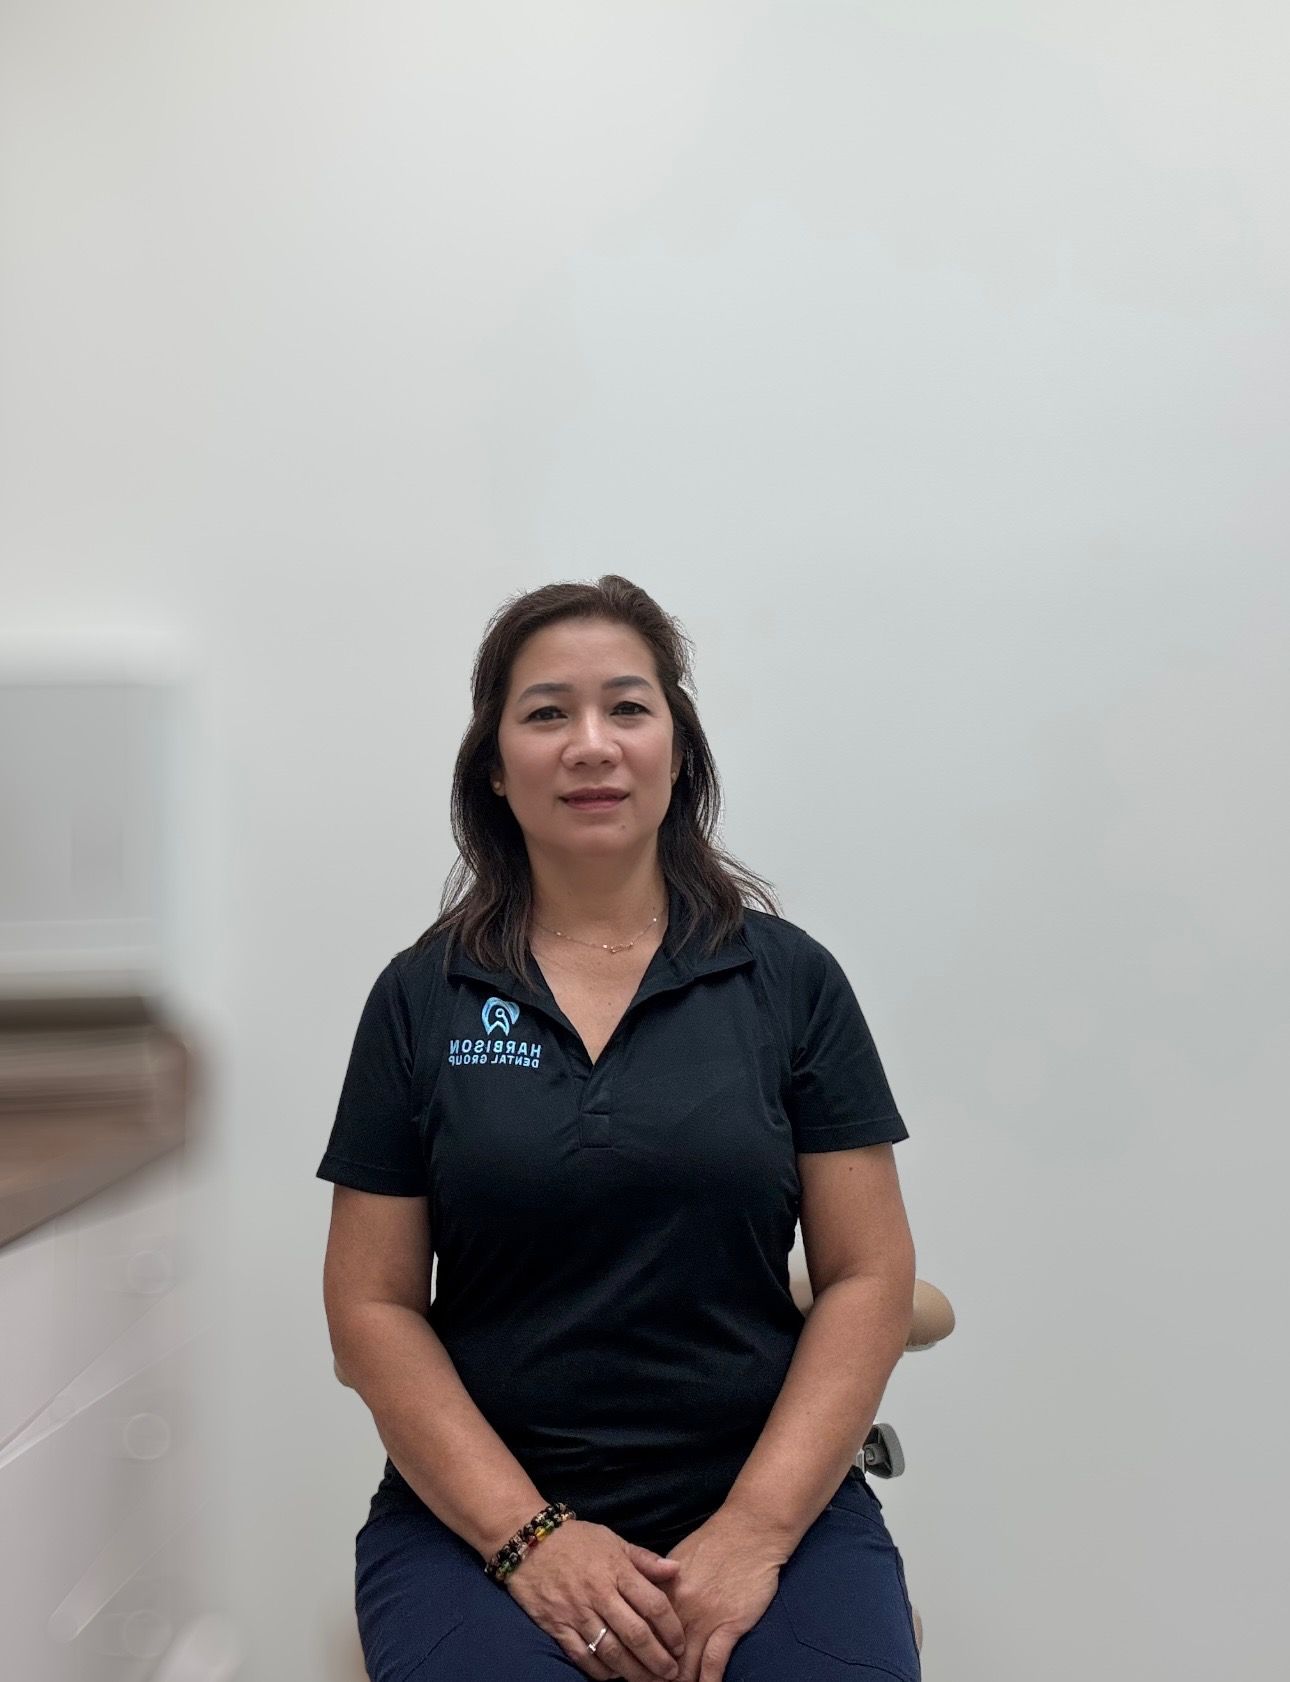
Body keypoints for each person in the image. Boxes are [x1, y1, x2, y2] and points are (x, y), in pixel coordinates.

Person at [317, 576, 922, 1682]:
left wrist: (756, 1529)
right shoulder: (421, 996)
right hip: (481, 1521)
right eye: (547, 712)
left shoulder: (791, 981)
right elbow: (370, 1306)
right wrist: (531, 1539)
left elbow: (870, 1272)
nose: (591, 743)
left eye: (627, 708)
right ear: (494, 768)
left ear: (678, 750)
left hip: (764, 1500)